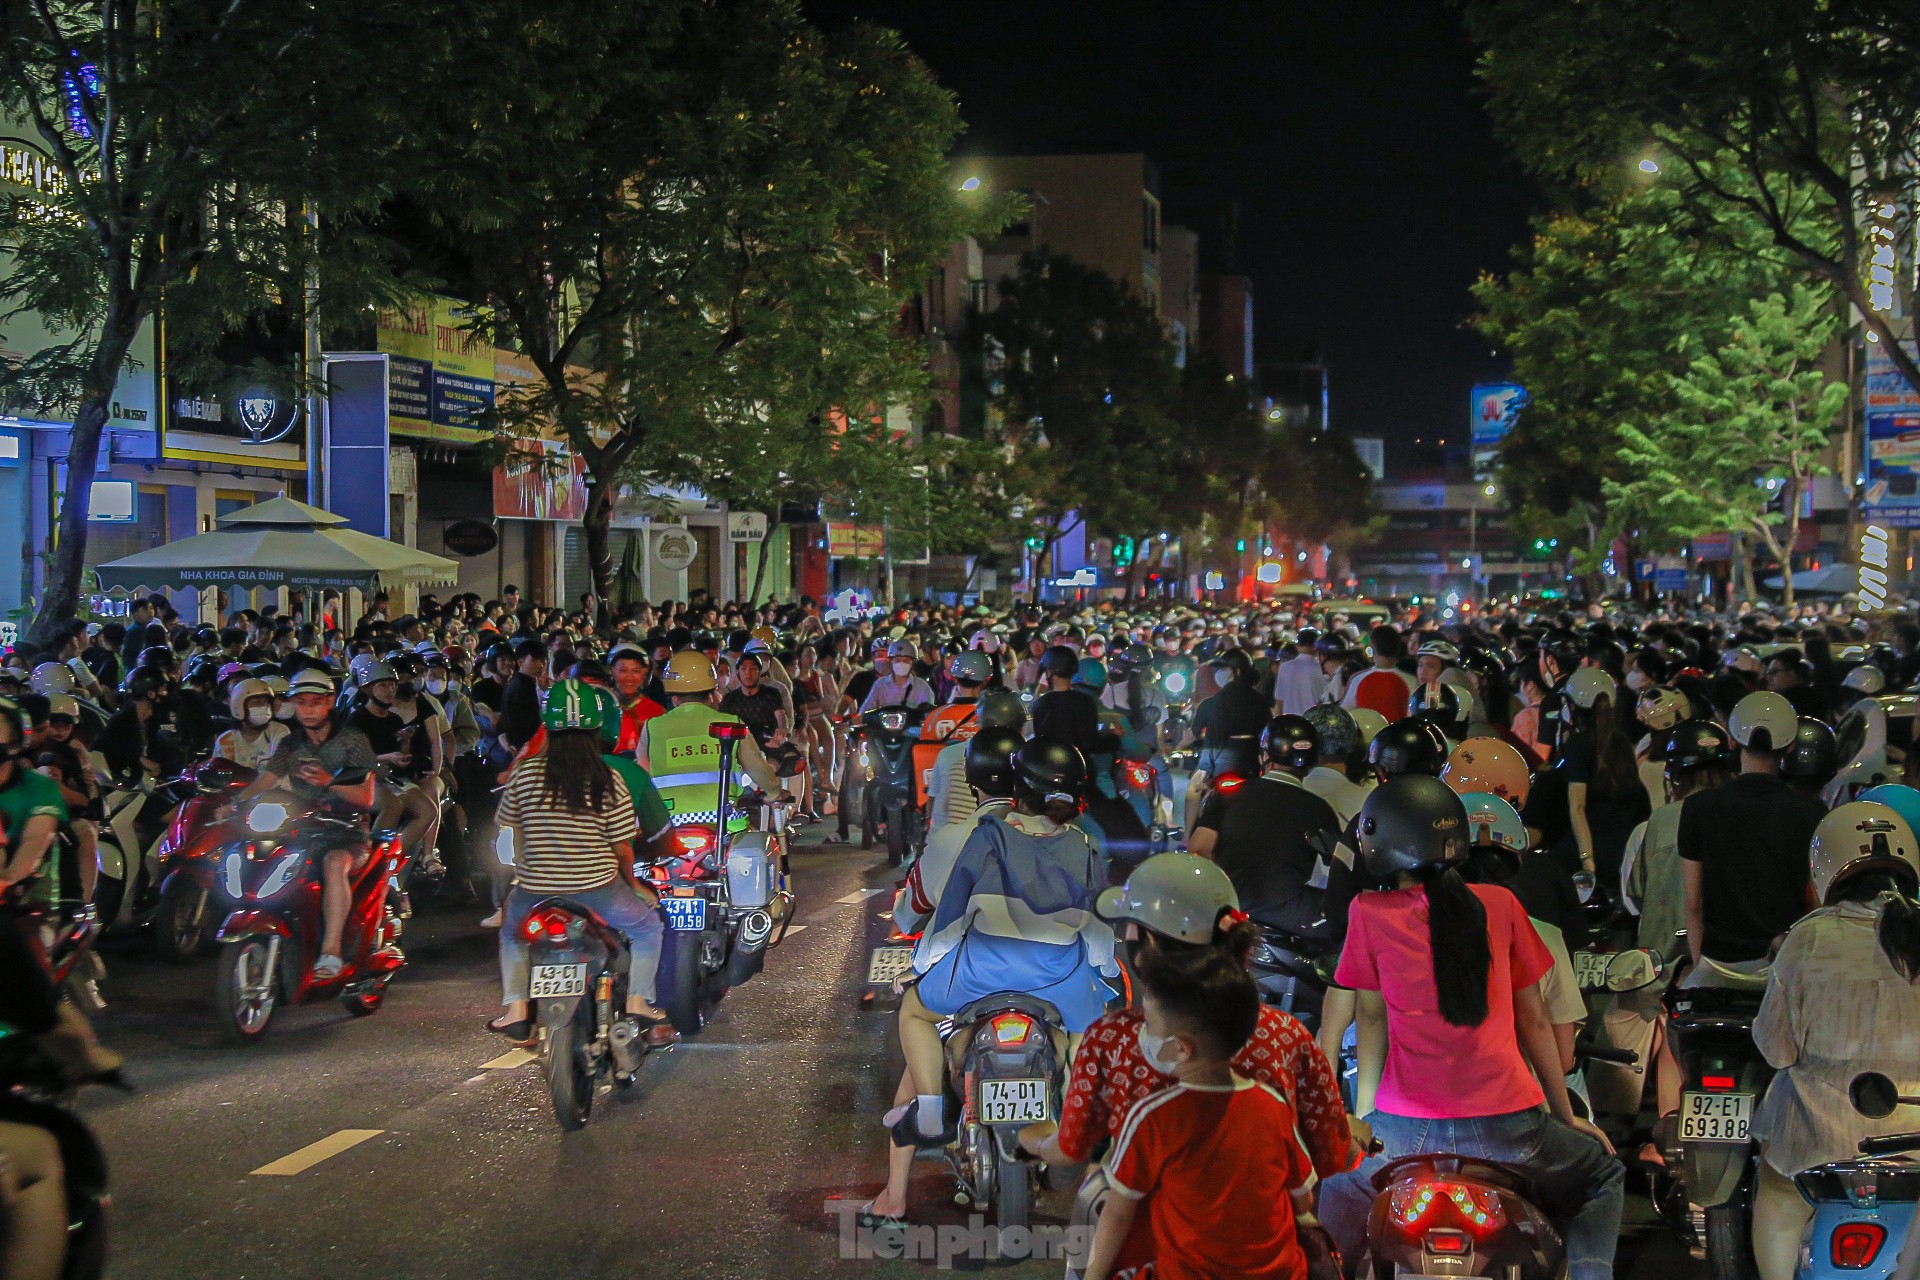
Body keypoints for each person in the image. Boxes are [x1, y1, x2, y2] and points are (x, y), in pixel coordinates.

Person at [1318, 775, 1623, 1280]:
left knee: (1338, 1188)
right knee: (1604, 1175)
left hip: (1402, 1133)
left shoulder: (1366, 912)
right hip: (1510, 1128)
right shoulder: (1501, 905)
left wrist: (1358, 1114)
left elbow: (1368, 1015)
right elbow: (1534, 1022)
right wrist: (1567, 1116)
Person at [890, 738, 1118, 1148]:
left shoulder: (987, 836)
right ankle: (1077, 1113)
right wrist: (1104, 972)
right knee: (1089, 1027)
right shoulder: (1086, 846)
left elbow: (949, 922)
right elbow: (1098, 929)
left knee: (914, 1013)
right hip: (1058, 977)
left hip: (981, 971)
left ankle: (928, 1112)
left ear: (1018, 790)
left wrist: (923, 967)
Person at [859, 726, 1025, 1228]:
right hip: (1044, 977)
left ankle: (895, 1197)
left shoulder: (952, 839)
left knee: (915, 1045)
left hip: (967, 979)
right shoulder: (1054, 833)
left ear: (972, 783)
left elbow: (913, 911)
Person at [1749, 801, 1920, 1280]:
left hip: (1816, 1145)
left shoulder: (1807, 939)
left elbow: (1776, 1050)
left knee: (1777, 1198)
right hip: (1915, 1143)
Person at [1083, 945, 1312, 1280]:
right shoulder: (1273, 1105)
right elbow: (1302, 1200)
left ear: (1181, 1048)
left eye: (1149, 1026)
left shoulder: (1153, 1116)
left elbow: (1118, 1215)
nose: (1143, 1035)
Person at [488, 681, 675, 1045]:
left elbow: (509, 830)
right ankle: (638, 1001)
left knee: (512, 936)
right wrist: (635, 886)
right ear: (597, 727)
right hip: (599, 889)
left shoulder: (524, 774)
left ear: (549, 725)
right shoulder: (610, 778)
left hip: (535, 891)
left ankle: (516, 1010)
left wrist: (523, 873)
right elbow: (621, 847)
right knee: (648, 928)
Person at [1678, 691, 1822, 984]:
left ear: (1732, 741)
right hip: (1782, 966)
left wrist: (1699, 964)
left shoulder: (1697, 807)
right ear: (1791, 747)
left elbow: (1693, 904)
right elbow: (1818, 903)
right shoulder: (1812, 812)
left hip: (1718, 965)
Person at [242, 669, 378, 979]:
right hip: (301, 830)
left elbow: (367, 797)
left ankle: (331, 952)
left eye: (316, 702)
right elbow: (266, 780)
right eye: (301, 703)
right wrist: (233, 804)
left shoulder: (352, 741)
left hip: (347, 832)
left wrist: (330, 783)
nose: (308, 710)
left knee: (333, 864)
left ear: (330, 701)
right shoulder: (291, 744)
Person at [1191, 715, 1344, 947]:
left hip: (1227, 910)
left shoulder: (1228, 794)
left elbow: (1199, 848)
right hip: (1288, 916)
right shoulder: (1319, 809)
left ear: (1265, 755)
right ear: (1312, 761)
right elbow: (1338, 868)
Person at [1340, 625, 1415, 722]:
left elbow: (1344, 714)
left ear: (1372, 647)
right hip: (1397, 736)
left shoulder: (1358, 679)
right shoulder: (1411, 681)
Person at [213, 677, 289, 771]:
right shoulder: (225, 741)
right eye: (256, 703)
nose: (264, 707)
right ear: (239, 706)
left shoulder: (279, 731)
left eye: (267, 703)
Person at [860, 639, 934, 712]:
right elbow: (865, 710)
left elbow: (930, 715)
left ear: (912, 662)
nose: (901, 663)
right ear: (891, 661)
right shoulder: (880, 685)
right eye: (897, 660)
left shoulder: (922, 687)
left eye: (906, 661)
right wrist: (858, 718)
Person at [1272, 628, 1328, 716]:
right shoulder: (1323, 668)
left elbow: (1279, 702)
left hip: (1290, 722)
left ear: (1298, 646)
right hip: (1314, 721)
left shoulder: (1284, 667)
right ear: (1316, 647)